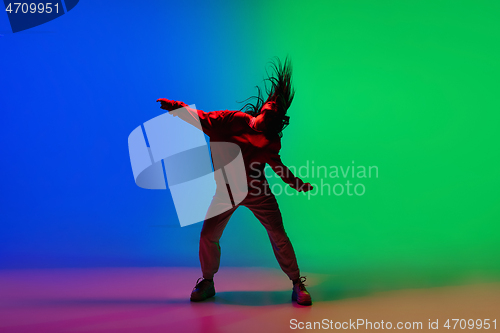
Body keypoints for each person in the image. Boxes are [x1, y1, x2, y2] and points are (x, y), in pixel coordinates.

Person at [157, 57, 314, 306]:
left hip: (258, 192)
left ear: (279, 117)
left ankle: (297, 283)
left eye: (279, 106)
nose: (274, 104)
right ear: (263, 107)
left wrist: (297, 183)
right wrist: (176, 107)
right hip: (226, 192)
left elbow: (279, 167)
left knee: (278, 234)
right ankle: (207, 282)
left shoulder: (270, 141)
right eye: (272, 101)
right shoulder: (231, 121)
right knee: (208, 235)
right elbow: (201, 118)